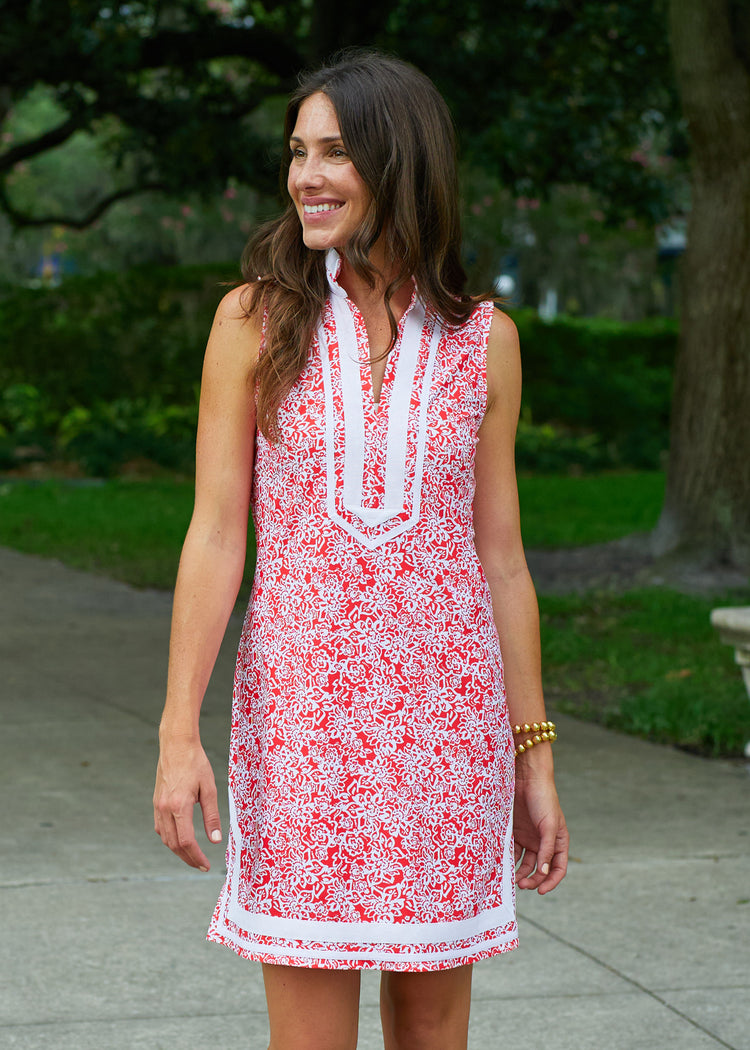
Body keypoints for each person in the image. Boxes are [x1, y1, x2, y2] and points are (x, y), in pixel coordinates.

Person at [153, 48, 568, 1050]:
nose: (306, 175)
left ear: (401, 162)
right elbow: (216, 536)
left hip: (448, 732)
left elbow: (501, 560)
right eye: (297, 152)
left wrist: (533, 757)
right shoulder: (252, 320)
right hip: (302, 729)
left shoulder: (485, 341)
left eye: (335, 152)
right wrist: (176, 733)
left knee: (433, 1033)